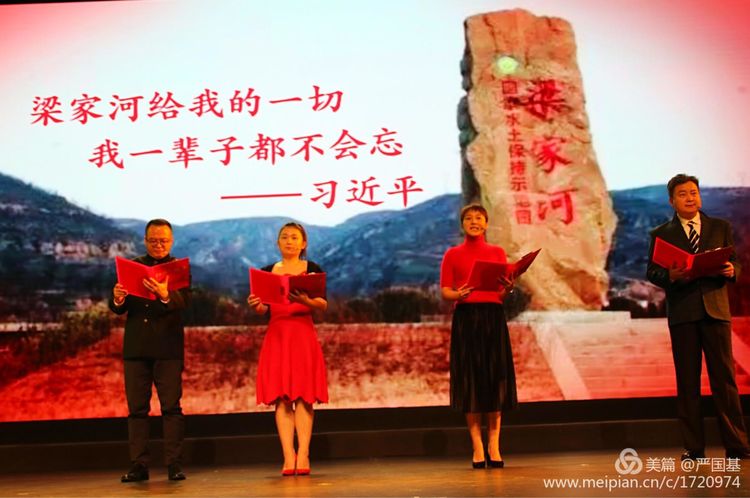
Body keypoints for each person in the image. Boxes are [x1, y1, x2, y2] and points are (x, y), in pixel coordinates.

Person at [647, 174, 750, 460]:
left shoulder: (720, 227)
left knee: (725, 381)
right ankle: (694, 448)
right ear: (672, 201)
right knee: (688, 382)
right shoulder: (661, 233)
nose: (690, 198)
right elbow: (652, 272)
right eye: (683, 194)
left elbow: (735, 261)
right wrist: (670, 275)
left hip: (716, 310)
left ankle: (737, 446)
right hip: (684, 313)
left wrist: (732, 270)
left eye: (693, 192)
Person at [109, 219, 191, 482]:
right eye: (153, 240)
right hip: (136, 347)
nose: (158, 245)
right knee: (137, 410)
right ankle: (139, 465)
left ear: (171, 241)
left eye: (163, 241)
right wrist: (118, 298)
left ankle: (174, 464)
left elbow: (186, 301)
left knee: (171, 408)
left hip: (168, 347)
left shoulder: (178, 269)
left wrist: (165, 294)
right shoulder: (131, 267)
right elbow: (118, 307)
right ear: (145, 241)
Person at [440, 204, 518, 469]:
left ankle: (494, 446)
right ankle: (477, 447)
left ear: (486, 223)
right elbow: (445, 291)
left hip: (492, 318)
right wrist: (458, 294)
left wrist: (509, 288)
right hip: (467, 318)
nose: (474, 221)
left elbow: (500, 293)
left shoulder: (497, 252)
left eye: (479, 218)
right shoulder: (452, 254)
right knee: (470, 382)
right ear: (462, 224)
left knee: (495, 380)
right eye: (468, 218)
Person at [247, 222, 328, 476]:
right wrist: (256, 305)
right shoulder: (267, 272)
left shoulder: (311, 269)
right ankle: (287, 455)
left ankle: (303, 453)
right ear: (278, 242)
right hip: (278, 336)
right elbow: (263, 308)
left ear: (303, 243)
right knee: (282, 398)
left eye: (294, 237)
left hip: (302, 335)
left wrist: (306, 301)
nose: (289, 241)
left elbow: (322, 304)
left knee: (304, 396)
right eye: (284, 237)